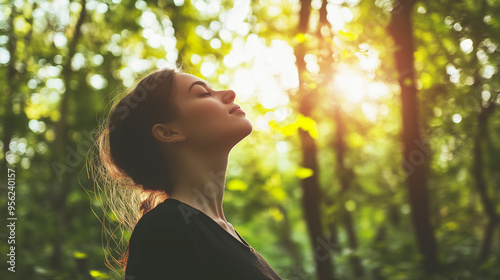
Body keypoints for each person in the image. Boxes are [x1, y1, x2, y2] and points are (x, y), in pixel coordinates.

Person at [94, 67, 283, 279]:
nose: (230, 92)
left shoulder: (224, 234)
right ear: (168, 132)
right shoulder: (164, 230)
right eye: (204, 93)